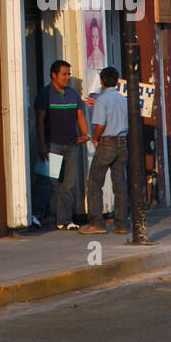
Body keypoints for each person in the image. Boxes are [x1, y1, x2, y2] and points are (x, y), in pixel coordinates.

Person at [33, 60, 90, 230]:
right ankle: (37, 215)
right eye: (64, 74)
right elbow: (40, 121)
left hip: (71, 145)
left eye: (69, 74)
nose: (67, 77)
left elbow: (80, 115)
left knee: (68, 184)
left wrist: (86, 134)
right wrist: (42, 145)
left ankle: (64, 220)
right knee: (47, 182)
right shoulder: (45, 94)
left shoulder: (73, 94)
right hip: (53, 145)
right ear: (54, 75)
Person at [80, 66, 129, 235]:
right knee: (120, 184)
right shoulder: (123, 99)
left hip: (107, 142)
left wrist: (95, 138)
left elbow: (100, 124)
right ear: (117, 81)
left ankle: (96, 222)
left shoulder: (102, 99)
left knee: (94, 182)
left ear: (101, 82)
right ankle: (122, 224)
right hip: (122, 143)